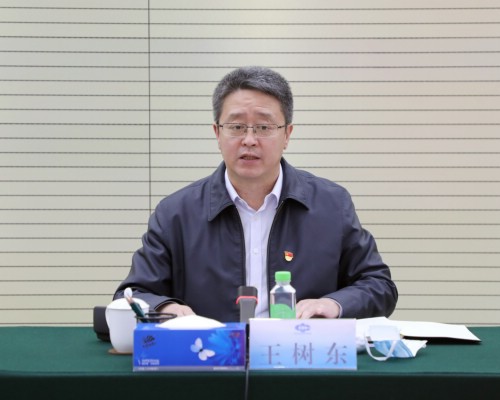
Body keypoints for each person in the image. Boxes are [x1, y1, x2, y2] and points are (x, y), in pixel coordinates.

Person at [114, 66, 397, 322]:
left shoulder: (330, 204)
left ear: (287, 134)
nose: (249, 140)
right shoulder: (176, 213)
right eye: (236, 127)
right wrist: (164, 307)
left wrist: (333, 304)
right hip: (211, 354)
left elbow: (379, 285)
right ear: (217, 133)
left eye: (264, 127)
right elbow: (132, 294)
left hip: (298, 354)